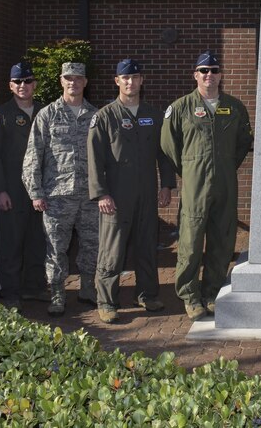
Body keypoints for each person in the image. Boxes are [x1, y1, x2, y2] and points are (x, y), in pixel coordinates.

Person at [160, 51, 252, 321]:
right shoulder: (180, 108)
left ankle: (211, 292)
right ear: (195, 75)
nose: (208, 75)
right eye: (203, 70)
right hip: (194, 184)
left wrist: (224, 165)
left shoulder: (235, 107)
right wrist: (190, 168)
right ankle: (190, 296)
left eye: (213, 70)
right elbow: (168, 146)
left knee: (222, 239)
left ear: (221, 75)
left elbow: (243, 142)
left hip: (225, 182)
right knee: (190, 240)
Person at [88, 58, 176, 324]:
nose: (130, 82)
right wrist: (101, 193)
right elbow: (94, 159)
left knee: (147, 246)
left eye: (135, 77)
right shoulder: (104, 116)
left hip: (146, 194)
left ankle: (148, 294)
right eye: (125, 78)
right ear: (117, 81)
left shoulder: (154, 115)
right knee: (112, 250)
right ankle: (106, 301)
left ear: (141, 80)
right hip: (116, 197)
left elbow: (164, 154)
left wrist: (166, 185)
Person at [22, 62, 99, 316]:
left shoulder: (96, 115)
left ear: (85, 82)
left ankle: (88, 289)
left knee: (92, 244)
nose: (73, 83)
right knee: (56, 249)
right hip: (57, 196)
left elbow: (104, 156)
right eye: (68, 78)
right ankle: (57, 294)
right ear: (61, 81)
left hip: (89, 195)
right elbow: (34, 154)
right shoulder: (47, 115)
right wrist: (36, 192)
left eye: (78, 78)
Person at [0, 61, 48, 308]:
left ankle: (34, 287)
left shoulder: (46, 112)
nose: (23, 86)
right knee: (11, 242)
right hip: (11, 190)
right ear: (10, 86)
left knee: (37, 240)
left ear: (35, 84)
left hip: (41, 190)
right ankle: (11, 293)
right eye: (18, 82)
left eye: (28, 81)